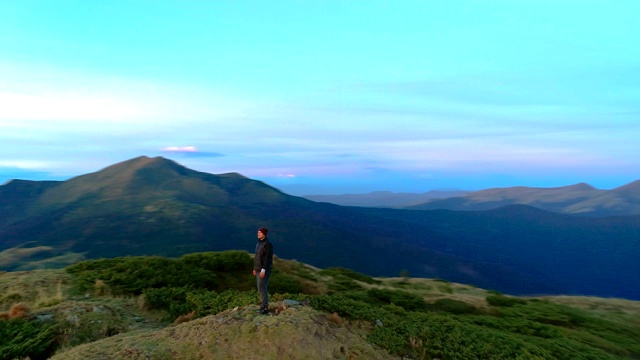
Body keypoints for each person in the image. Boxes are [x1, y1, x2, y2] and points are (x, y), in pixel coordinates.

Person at [253, 227, 273, 315]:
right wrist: (254, 268)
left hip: (264, 270)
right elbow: (257, 257)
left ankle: (265, 306)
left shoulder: (268, 244)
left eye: (260, 233)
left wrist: (263, 270)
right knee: (259, 287)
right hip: (258, 269)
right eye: (258, 232)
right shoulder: (258, 244)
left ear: (264, 234)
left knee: (262, 287)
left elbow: (267, 259)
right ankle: (263, 304)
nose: (258, 234)